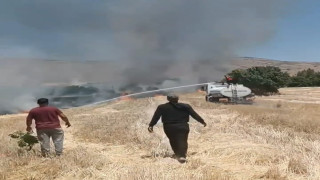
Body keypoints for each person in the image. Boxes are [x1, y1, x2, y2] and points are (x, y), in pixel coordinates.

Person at [148, 94, 206, 163]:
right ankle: (182, 156)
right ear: (177, 99)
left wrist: (151, 125)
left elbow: (156, 117)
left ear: (168, 99)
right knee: (183, 140)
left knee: (173, 141)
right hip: (183, 126)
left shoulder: (162, 107)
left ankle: (178, 154)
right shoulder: (186, 106)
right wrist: (202, 121)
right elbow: (194, 115)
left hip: (169, 127)